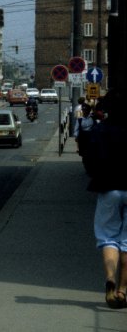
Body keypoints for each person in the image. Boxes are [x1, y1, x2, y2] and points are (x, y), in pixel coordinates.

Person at [85, 90, 127, 309]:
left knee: (108, 238)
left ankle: (110, 278)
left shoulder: (101, 131)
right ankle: (122, 290)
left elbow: (89, 159)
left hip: (109, 188)